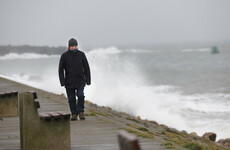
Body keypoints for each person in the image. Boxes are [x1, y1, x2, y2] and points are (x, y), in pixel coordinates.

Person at [59, 38, 91, 121]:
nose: (74, 47)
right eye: (72, 46)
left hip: (80, 80)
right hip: (69, 81)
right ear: (69, 46)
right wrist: (62, 81)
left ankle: (81, 112)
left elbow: (86, 68)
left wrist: (88, 80)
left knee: (80, 95)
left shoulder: (81, 54)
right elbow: (60, 70)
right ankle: (73, 113)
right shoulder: (64, 56)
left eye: (75, 46)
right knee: (71, 98)